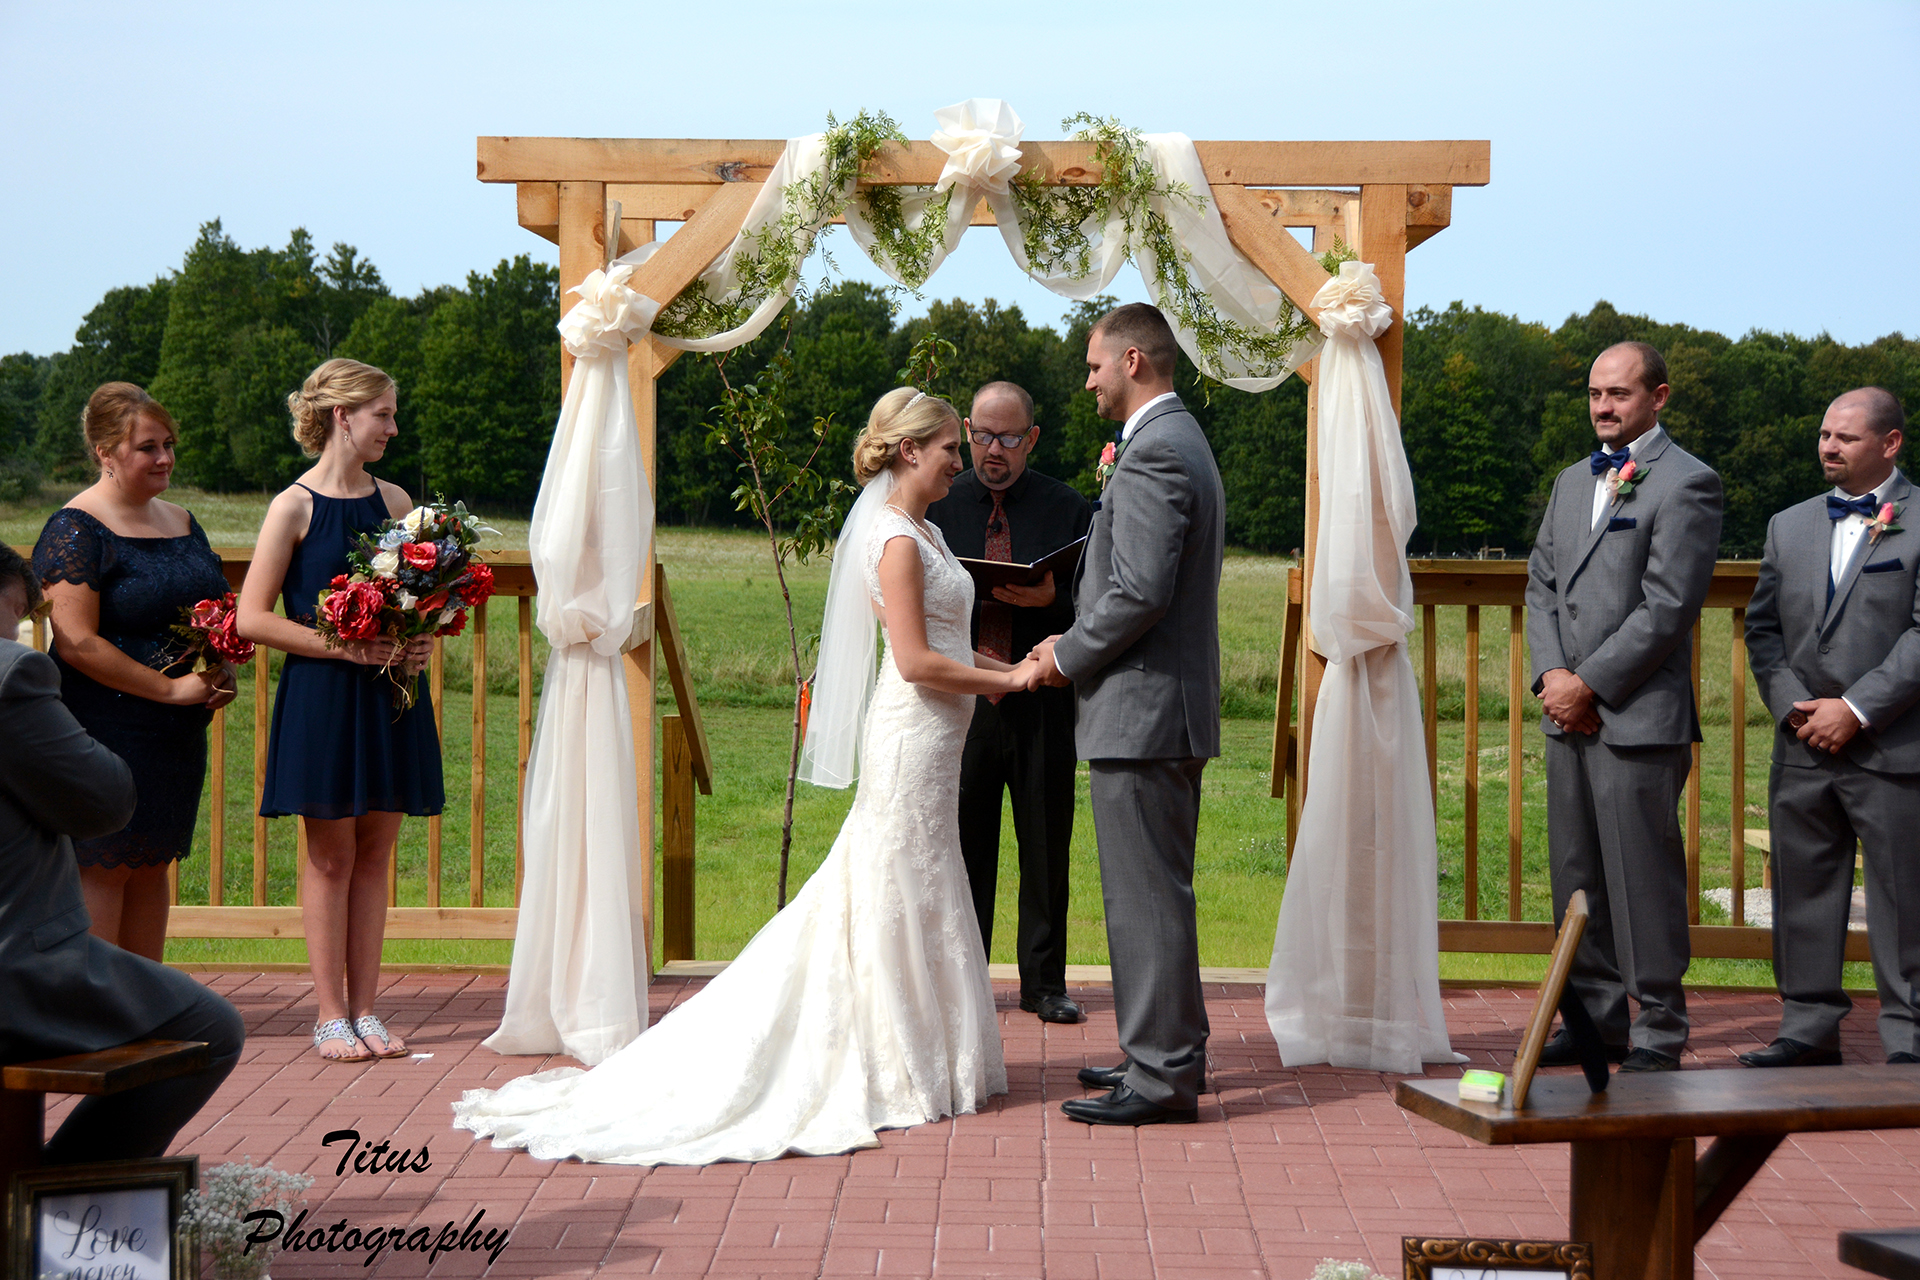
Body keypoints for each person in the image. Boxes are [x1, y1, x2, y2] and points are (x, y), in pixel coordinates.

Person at [452, 388, 1029, 1164]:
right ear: (907, 451)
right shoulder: (894, 540)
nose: (962, 462)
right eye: (951, 449)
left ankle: (921, 1049)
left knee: (916, 881)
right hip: (911, 732)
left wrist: (1018, 663)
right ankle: (887, 1054)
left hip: (936, 739)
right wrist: (1013, 682)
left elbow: (953, 643)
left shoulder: (924, 530)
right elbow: (919, 662)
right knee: (892, 879)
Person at [1030, 303, 1223, 1126]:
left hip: (1143, 715)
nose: (1088, 379)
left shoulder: (1157, 455)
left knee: (1146, 899)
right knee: (1151, 895)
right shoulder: (1172, 443)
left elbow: (1139, 591)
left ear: (1135, 360)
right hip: (1155, 712)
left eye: (1095, 364)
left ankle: (1165, 1074)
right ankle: (1161, 1052)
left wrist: (1065, 654)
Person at [0, 546, 245, 1163]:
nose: (23, 629)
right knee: (209, 1028)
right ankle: (60, 1202)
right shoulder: (12, 675)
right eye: (17, 614)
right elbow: (102, 803)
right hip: (17, 971)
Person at [1524, 341, 1723, 1072]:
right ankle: (1593, 1022)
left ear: (1659, 398)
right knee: (1576, 876)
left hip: (1635, 718)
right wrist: (1551, 675)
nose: (1604, 406)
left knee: (1643, 881)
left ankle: (1661, 1030)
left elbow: (1668, 607)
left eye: (1620, 394)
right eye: (1595, 393)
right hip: (1566, 712)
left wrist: (1590, 684)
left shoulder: (1689, 484)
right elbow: (1541, 583)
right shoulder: (1571, 481)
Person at [236, 359, 441, 1064]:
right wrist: (344, 649)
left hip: (390, 697)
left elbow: (412, 605)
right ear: (340, 417)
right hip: (323, 698)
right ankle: (328, 1016)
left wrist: (416, 647)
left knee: (377, 853)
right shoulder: (291, 507)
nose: (392, 426)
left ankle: (366, 1009)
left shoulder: (395, 502)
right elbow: (252, 618)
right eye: (381, 413)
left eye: (392, 413)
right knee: (330, 857)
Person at [1742, 387, 1920, 1067]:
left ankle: (1910, 1044)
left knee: (1905, 901)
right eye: (1824, 435)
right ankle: (1807, 1030)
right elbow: (1762, 630)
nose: (1828, 446)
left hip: (1893, 743)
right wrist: (1795, 705)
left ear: (1890, 443)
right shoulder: (1788, 525)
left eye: (1845, 437)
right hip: (1803, 742)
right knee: (1803, 893)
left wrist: (1858, 708)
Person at [30, 384, 237, 961]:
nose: (165, 458)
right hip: (102, 727)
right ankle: (97, 1018)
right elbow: (76, 643)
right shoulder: (75, 528)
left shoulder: (182, 519)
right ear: (105, 451)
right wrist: (171, 688)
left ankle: (147, 1015)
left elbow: (213, 608)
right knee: (104, 868)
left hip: (174, 734)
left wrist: (221, 664)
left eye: (169, 444)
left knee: (152, 867)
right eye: (148, 447)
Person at [926, 380, 1092, 1026]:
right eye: (983, 436)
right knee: (964, 842)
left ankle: (1045, 983)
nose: (994, 450)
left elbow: (1101, 605)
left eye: (1010, 438)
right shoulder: (938, 504)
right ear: (967, 430)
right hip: (961, 701)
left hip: (1042, 697)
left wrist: (1051, 602)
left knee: (1046, 841)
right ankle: (966, 977)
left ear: (1033, 438)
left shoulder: (1068, 508)